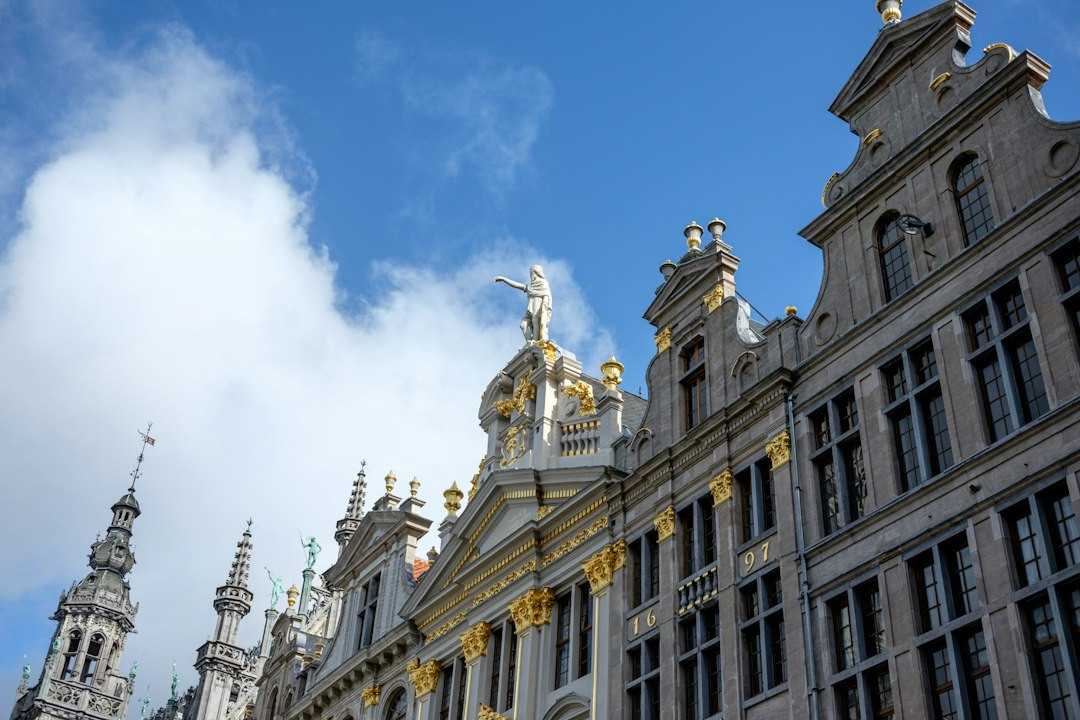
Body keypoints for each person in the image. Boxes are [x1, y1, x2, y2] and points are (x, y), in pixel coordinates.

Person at [494, 265, 553, 344]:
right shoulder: (531, 286)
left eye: (532, 274)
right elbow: (519, 286)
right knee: (523, 324)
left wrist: (545, 305)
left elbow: (547, 294)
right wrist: (504, 279)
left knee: (535, 320)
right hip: (531, 307)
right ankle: (530, 343)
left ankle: (535, 342)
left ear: (536, 273)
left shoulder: (543, 282)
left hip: (539, 304)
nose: (531, 276)